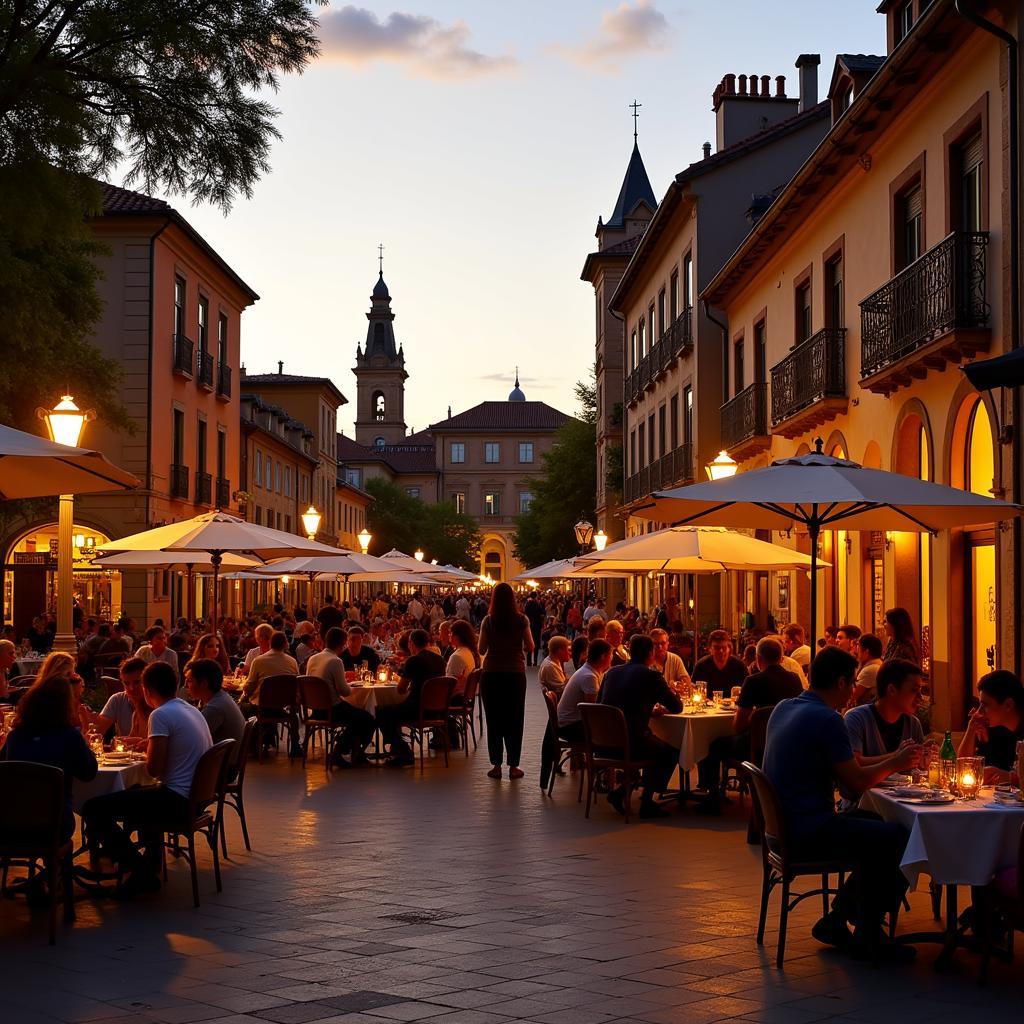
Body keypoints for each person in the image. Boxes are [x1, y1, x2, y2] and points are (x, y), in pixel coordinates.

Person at [763, 646, 921, 961]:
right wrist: (895, 761)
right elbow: (854, 784)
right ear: (840, 683)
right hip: (808, 831)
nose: (852, 693)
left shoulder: (784, 707)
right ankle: (869, 933)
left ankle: (838, 919)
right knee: (902, 837)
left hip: (780, 829)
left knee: (878, 826)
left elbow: (850, 776)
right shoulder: (828, 719)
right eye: (851, 684)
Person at [82, 662, 212, 897]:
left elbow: (153, 769)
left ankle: (139, 869)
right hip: (197, 797)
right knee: (136, 792)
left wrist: (152, 748)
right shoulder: (190, 709)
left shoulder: (160, 714)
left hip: (176, 800)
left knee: (93, 809)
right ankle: (147, 862)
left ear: (147, 690)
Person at [698, 637, 803, 804]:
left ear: (758, 659)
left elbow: (738, 726)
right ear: (782, 658)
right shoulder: (794, 680)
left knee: (714, 744)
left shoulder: (753, 681)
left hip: (756, 744)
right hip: (786, 742)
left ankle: (712, 795)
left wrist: (754, 717)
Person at [0, 673, 98, 847]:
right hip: (56, 824)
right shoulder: (68, 736)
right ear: (65, 705)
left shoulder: (15, 737)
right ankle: (60, 871)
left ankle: (52, 872)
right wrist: (83, 737)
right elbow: (89, 773)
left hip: (11, 824)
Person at [596, 634, 682, 819]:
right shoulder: (651, 676)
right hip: (631, 743)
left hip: (603, 743)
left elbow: (601, 705)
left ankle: (623, 791)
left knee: (653, 743)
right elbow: (677, 706)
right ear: (651, 653)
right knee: (670, 751)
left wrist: (647, 709)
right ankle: (647, 801)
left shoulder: (611, 673)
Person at [843, 659, 925, 805]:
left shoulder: (913, 724)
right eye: (914, 690)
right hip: (862, 808)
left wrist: (924, 758)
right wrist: (897, 757)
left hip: (904, 805)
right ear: (892, 689)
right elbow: (854, 765)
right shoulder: (856, 719)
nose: (920, 698)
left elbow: (915, 770)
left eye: (921, 691)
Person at [479, 582, 534, 780]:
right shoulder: (522, 620)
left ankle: (496, 766)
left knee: (493, 720)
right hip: (515, 675)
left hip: (491, 674)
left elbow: (481, 649)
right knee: (515, 719)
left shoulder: (488, 620)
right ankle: (513, 767)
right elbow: (530, 645)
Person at [305, 627, 376, 765]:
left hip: (316, 709)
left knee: (357, 716)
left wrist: (340, 677)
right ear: (342, 643)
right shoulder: (335, 661)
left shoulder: (313, 659)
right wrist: (349, 683)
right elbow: (345, 692)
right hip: (332, 709)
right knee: (367, 718)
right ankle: (341, 751)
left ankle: (351, 751)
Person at [377, 628, 446, 767]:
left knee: (382, 712)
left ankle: (402, 751)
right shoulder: (440, 659)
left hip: (417, 708)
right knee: (391, 711)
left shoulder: (414, 660)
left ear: (411, 643)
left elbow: (401, 689)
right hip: (438, 710)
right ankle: (397, 750)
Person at [959, 670, 1024, 784]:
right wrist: (971, 728)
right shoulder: (993, 729)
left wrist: (1010, 778)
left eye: (985, 705)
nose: (979, 712)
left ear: (1008, 705)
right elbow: (963, 766)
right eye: (979, 705)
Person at [186, 657, 247, 777]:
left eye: (189, 681)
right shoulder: (221, 697)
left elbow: (192, 740)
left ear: (203, 684)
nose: (186, 686)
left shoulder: (215, 708)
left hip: (221, 771)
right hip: (225, 764)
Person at [556, 639, 611, 744]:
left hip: (568, 723)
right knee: (612, 731)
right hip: (570, 726)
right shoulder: (589, 676)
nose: (611, 659)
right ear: (603, 656)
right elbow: (592, 711)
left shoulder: (589, 671)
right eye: (610, 655)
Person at [92, 657, 151, 741]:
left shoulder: (156, 704)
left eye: (137, 682)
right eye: (126, 683)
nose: (131, 688)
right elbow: (98, 732)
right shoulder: (117, 699)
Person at [242, 631, 298, 704]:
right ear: (285, 644)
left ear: (270, 644)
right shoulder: (293, 662)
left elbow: (249, 688)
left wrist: (243, 690)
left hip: (261, 707)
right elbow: (297, 685)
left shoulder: (258, 661)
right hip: (285, 704)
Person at [446, 619, 479, 697]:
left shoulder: (457, 656)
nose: (449, 636)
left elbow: (449, 684)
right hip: (465, 698)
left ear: (456, 636)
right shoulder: (469, 652)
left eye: (450, 633)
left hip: (455, 699)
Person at [850, 633, 884, 707]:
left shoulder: (870, 670)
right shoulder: (878, 664)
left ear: (866, 651)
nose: (856, 651)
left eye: (858, 647)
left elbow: (851, 697)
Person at [523, 593, 545, 668]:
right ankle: (535, 661)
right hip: (537, 625)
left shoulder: (527, 604)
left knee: (529, 641)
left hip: (529, 626)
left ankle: (529, 661)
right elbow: (542, 614)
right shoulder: (538, 604)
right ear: (536, 596)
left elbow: (525, 614)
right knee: (536, 642)